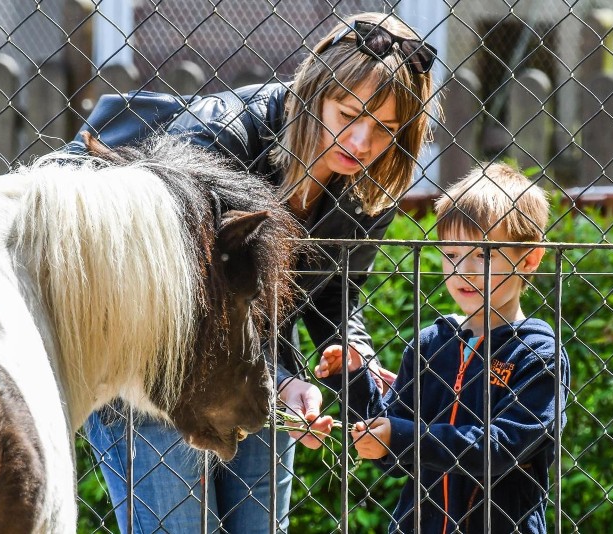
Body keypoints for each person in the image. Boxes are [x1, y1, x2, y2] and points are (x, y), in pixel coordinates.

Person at [73, 12, 439, 533]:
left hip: (257, 372)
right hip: (156, 376)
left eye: (384, 128)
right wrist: (284, 379)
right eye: (347, 114)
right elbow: (189, 300)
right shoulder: (221, 136)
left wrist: (351, 349)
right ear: (313, 91)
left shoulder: (367, 183)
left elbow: (335, 293)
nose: (361, 142)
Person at [315, 163, 571, 533]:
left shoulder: (535, 352)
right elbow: (392, 448)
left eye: (483, 255)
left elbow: (499, 449)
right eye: (450, 254)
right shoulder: (430, 345)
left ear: (529, 258)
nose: (462, 270)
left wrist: (402, 437)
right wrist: (353, 379)